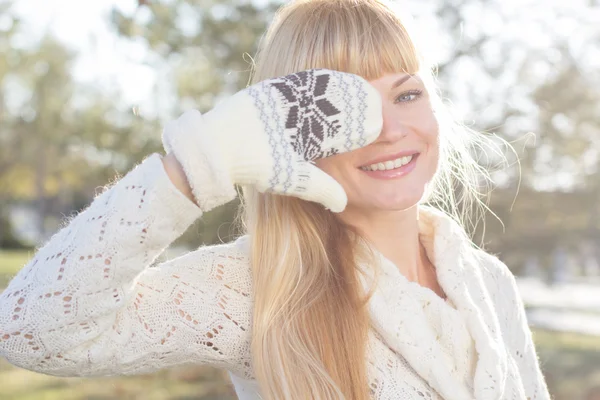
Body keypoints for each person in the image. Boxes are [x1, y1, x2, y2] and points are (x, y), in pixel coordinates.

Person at [0, 0, 551, 399]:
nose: (389, 130)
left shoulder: (488, 281)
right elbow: (31, 331)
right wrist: (196, 162)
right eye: (344, 111)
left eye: (405, 94)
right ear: (291, 138)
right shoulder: (259, 287)